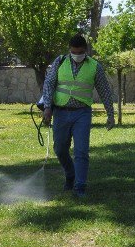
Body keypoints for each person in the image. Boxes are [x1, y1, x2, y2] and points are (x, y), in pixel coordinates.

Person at [40, 34, 115, 198]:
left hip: (82, 114)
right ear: (69, 50)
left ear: (85, 51)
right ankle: (70, 174)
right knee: (60, 149)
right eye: (73, 52)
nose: (76, 55)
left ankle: (80, 186)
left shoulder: (95, 66)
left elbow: (105, 91)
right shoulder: (60, 62)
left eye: (80, 52)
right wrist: (47, 108)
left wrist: (110, 114)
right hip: (60, 112)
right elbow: (49, 84)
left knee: (81, 151)